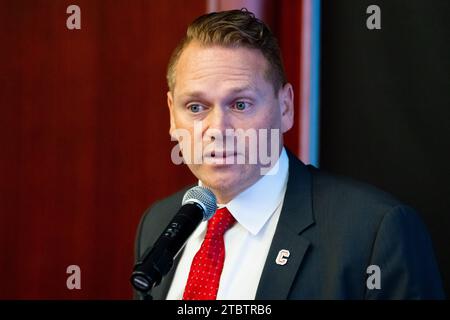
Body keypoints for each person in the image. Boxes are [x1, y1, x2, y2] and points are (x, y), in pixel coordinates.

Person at [134, 9, 444, 299]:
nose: (217, 128)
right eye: (196, 107)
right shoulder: (157, 223)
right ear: (173, 117)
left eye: (240, 104)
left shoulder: (375, 232)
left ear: (285, 107)